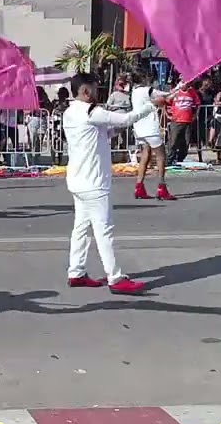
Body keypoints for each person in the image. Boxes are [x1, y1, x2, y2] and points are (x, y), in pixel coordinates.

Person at [62, 73, 168, 295]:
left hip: (78, 180)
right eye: (95, 88)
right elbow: (126, 119)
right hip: (94, 182)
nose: (98, 92)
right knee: (104, 230)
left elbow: (105, 131)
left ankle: (77, 272)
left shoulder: (70, 112)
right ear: (86, 91)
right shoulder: (92, 112)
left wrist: (120, 125)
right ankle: (115, 277)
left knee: (81, 228)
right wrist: (150, 106)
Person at [130, 72, 174, 200]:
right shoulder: (147, 90)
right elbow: (164, 96)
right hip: (150, 128)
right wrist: (177, 89)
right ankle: (162, 187)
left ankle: (139, 186)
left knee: (146, 154)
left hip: (139, 127)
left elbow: (160, 99)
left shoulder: (134, 92)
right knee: (161, 156)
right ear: (143, 78)